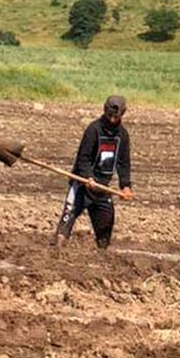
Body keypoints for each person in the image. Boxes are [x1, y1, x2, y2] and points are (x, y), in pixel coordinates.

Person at [54, 95, 135, 249]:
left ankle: (102, 259)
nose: (112, 120)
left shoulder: (122, 135)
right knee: (67, 219)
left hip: (103, 188)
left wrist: (126, 185)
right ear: (105, 111)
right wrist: (87, 177)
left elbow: (124, 163)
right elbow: (83, 158)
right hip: (82, 185)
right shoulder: (93, 130)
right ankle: (56, 251)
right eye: (110, 116)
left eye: (115, 117)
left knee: (105, 227)